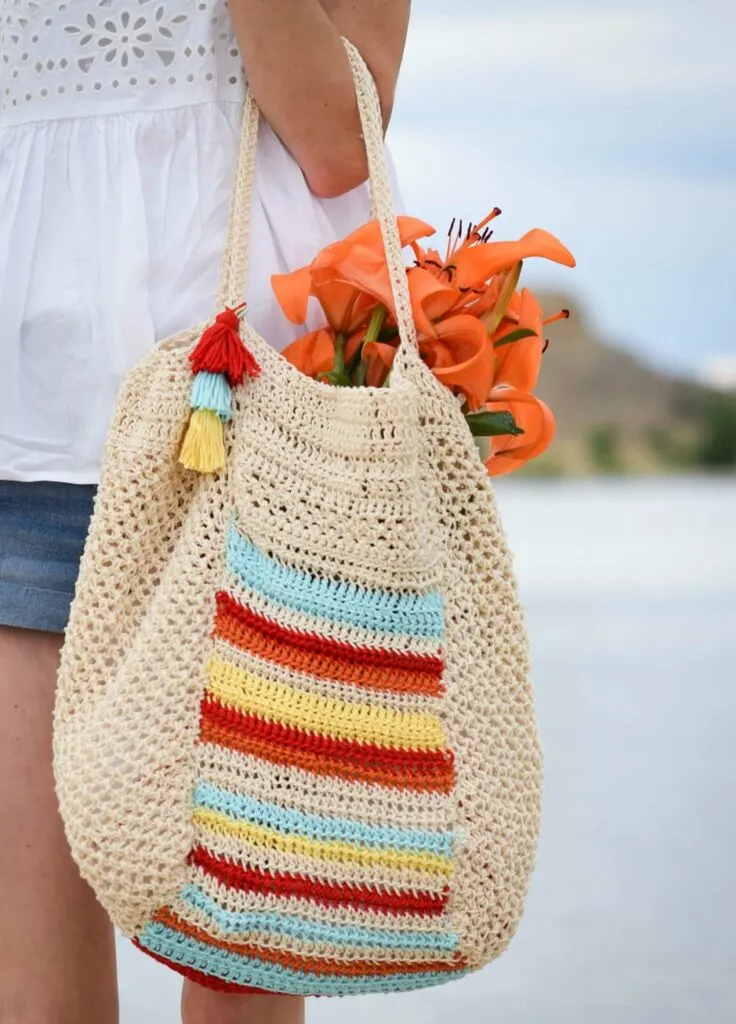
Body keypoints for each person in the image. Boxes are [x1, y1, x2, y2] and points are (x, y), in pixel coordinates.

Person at [0, 1, 410, 1021]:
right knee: (32, 986)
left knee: (244, 964)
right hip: (24, 423)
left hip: (252, 420)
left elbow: (335, 141)